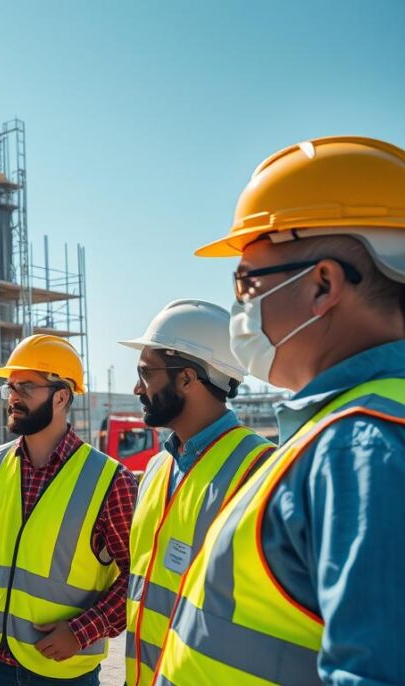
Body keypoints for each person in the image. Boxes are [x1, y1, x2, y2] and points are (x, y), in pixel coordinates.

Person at [154, 136, 405, 685]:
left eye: (247, 281)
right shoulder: (350, 427)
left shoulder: (363, 444)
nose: (240, 307)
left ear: (323, 284)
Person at [0, 334, 136, 686]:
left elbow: (139, 575)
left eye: (26, 387)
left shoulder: (110, 480)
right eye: (10, 387)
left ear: (61, 396)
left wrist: (83, 631)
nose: (13, 397)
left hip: (61, 672)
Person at [118, 300, 274, 686]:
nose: (137, 387)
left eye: (146, 373)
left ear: (187, 377)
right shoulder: (156, 468)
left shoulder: (259, 471)